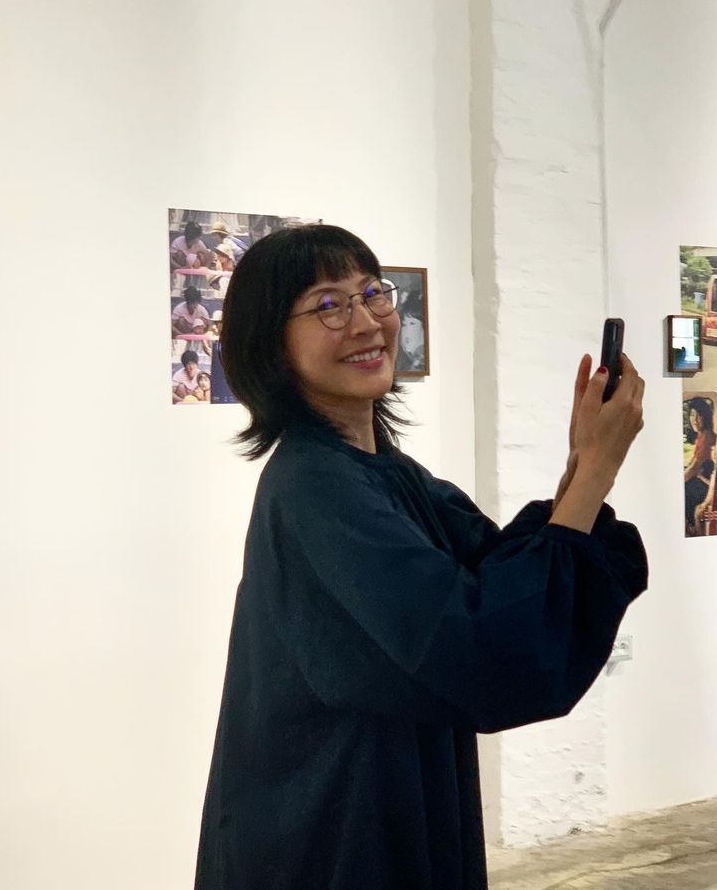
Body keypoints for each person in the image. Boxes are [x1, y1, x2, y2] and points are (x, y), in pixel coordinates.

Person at [193, 225, 648, 890]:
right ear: (273, 346)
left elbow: (506, 584)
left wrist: (583, 462)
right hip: (331, 832)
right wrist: (593, 476)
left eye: (372, 293)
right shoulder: (315, 487)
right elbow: (481, 649)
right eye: (328, 305)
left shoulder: (388, 475)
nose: (366, 321)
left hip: (387, 805)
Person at [683, 397, 716, 535]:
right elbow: (692, 465)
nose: (695, 419)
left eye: (699, 415)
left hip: (709, 485)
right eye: (692, 414)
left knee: (685, 488)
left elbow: (694, 468)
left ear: (706, 416)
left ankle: (692, 529)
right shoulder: (701, 435)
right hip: (703, 479)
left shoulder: (707, 436)